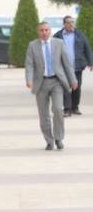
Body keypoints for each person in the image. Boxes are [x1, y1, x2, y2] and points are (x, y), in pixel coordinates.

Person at [26, 21, 78, 150]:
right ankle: (49, 141)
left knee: (58, 109)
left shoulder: (59, 43)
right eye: (41, 30)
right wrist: (29, 79)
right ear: (38, 32)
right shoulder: (32, 46)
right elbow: (29, 64)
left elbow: (67, 64)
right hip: (41, 83)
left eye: (46, 30)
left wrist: (73, 80)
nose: (44, 33)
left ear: (50, 31)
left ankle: (59, 138)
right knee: (43, 114)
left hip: (56, 82)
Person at [53, 15, 93, 116]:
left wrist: (91, 62)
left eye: (72, 22)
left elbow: (87, 48)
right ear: (64, 24)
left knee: (77, 87)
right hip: (63, 67)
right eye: (69, 22)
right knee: (65, 87)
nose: (71, 24)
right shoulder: (58, 35)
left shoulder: (80, 34)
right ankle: (67, 109)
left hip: (77, 66)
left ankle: (75, 107)